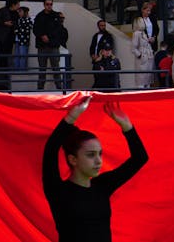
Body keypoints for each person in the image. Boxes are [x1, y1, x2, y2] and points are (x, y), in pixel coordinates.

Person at [43, 97, 148, 242]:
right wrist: (71, 117)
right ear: (73, 159)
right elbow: (51, 149)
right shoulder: (58, 191)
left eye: (100, 154)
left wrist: (127, 126)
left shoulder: (102, 186)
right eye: (91, 155)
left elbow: (140, 158)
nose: (98, 161)